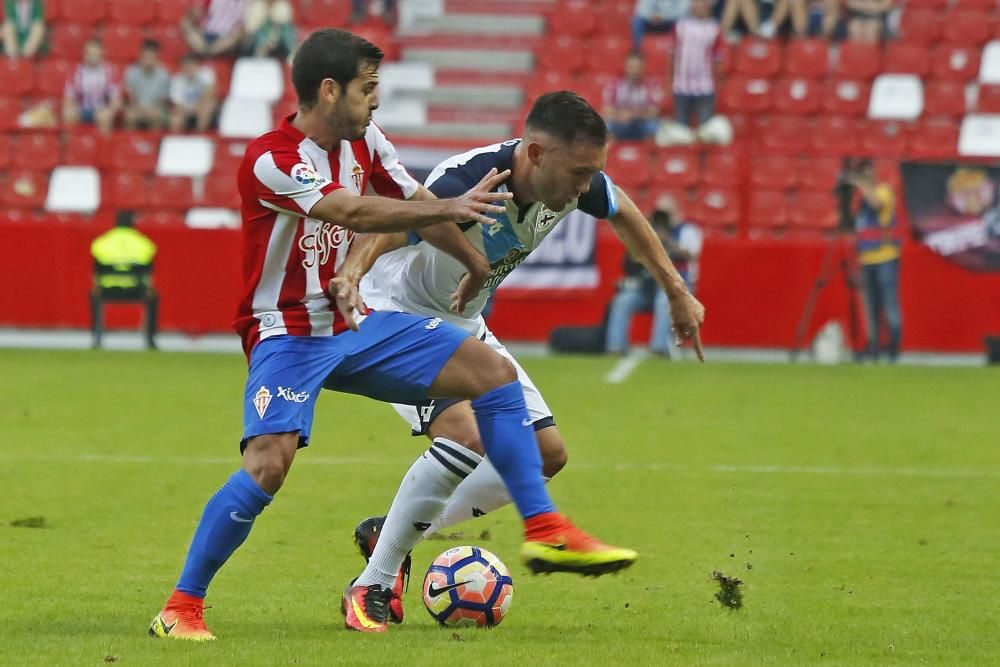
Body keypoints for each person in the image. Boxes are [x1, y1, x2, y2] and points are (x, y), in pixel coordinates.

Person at [148, 30, 637, 642]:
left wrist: (476, 262)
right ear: (330, 91)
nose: (376, 101)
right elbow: (354, 212)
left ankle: (544, 527)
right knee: (269, 464)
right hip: (288, 333)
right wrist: (449, 210)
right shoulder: (273, 158)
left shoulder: (366, 140)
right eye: (368, 88)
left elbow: (414, 197)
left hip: (357, 324)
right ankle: (181, 607)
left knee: (493, 374)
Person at [340, 91, 706, 627]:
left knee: (547, 453)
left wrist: (675, 290)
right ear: (535, 154)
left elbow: (624, 211)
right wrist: (351, 276)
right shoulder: (467, 179)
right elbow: (392, 224)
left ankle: (386, 536)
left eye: (593, 174)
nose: (586, 187)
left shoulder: (571, 184)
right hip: (399, 313)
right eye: (579, 172)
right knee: (465, 434)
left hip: (463, 321)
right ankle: (372, 584)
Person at [605, 194, 702, 356]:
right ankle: (615, 347)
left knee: (663, 301)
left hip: (677, 288)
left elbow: (690, 253)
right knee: (622, 301)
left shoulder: (687, 230)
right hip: (649, 286)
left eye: (667, 213)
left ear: (676, 212)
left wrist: (667, 240)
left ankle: (659, 348)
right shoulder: (650, 231)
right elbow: (632, 261)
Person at [848, 159, 901, 361]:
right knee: (870, 308)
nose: (864, 176)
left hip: (886, 256)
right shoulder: (859, 199)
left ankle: (893, 347)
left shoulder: (883, 191)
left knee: (889, 305)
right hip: (866, 257)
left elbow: (876, 204)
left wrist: (862, 184)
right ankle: (873, 346)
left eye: (866, 172)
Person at [90, 211, 158, 350]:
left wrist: (98, 285)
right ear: (133, 224)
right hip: (136, 291)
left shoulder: (103, 242)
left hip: (108, 291)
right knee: (154, 297)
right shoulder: (143, 243)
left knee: (93, 295)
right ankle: (150, 339)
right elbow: (148, 272)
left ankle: (97, 338)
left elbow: (97, 271)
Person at [671, 0, 723, 129]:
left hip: (705, 86)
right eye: (697, 2)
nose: (700, 5)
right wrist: (670, 80)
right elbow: (672, 55)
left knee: (706, 129)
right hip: (681, 85)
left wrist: (717, 83)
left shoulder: (714, 28)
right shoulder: (680, 26)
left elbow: (717, 59)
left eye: (703, 2)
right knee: (680, 130)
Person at [62, 39, 122, 135]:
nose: (92, 58)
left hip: (100, 109)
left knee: (105, 117)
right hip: (81, 108)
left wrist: (109, 110)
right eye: (89, 54)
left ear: (102, 54)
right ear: (84, 54)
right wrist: (70, 107)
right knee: (68, 113)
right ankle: (68, 148)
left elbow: (116, 100)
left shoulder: (110, 72)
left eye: (95, 54)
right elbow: (68, 98)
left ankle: (104, 148)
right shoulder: (75, 71)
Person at [602, 52, 663, 142]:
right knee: (607, 125)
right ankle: (612, 153)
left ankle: (648, 152)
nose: (635, 71)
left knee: (653, 125)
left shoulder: (652, 86)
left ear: (643, 68)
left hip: (641, 124)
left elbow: (654, 112)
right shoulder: (614, 85)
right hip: (620, 123)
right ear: (625, 67)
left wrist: (632, 115)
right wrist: (621, 116)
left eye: (638, 67)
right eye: (631, 67)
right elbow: (607, 111)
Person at [124, 40, 171, 131]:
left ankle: (154, 143)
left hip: (156, 108)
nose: (148, 60)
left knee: (157, 115)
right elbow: (130, 96)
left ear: (156, 57)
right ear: (141, 57)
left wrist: (151, 109)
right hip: (137, 107)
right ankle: (130, 143)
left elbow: (163, 100)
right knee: (130, 116)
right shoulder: (131, 72)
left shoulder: (164, 74)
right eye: (145, 57)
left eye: (151, 57)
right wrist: (139, 108)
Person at [169, 54, 218, 132]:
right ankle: (176, 142)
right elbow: (178, 104)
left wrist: (198, 106)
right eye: (186, 66)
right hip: (186, 108)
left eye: (191, 65)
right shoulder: (177, 80)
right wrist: (190, 110)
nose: (188, 68)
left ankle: (200, 139)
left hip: (202, 105)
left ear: (196, 65)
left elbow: (210, 94)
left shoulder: (206, 73)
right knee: (175, 119)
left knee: (205, 110)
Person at [182, 0, 248, 57]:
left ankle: (208, 54)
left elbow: (245, 24)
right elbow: (199, 11)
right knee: (188, 28)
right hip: (206, 32)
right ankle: (206, 53)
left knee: (235, 35)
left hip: (227, 36)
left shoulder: (246, 2)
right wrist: (193, 15)